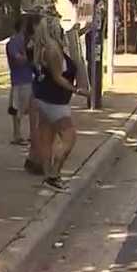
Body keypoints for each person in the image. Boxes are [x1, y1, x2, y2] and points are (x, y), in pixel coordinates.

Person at [32, 14, 89, 192]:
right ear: (52, 29)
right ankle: (54, 174)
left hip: (44, 97)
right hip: (54, 100)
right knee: (69, 137)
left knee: (46, 136)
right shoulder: (52, 50)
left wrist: (82, 29)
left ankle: (49, 175)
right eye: (58, 26)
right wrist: (78, 90)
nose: (61, 28)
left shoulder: (46, 46)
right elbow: (58, 77)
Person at [6, 14, 35, 145]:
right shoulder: (14, 42)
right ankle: (17, 135)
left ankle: (26, 134)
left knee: (26, 109)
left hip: (25, 78)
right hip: (20, 79)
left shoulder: (26, 41)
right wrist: (29, 57)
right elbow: (18, 59)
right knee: (18, 109)